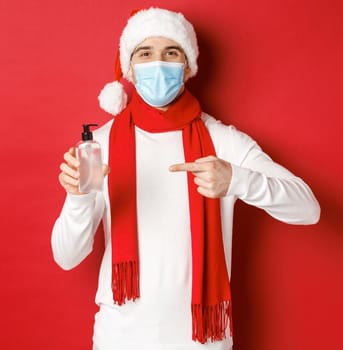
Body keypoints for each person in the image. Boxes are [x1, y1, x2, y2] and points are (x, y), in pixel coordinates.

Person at [52, 7, 320, 350]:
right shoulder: (98, 146)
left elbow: (308, 208)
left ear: (188, 67)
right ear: (130, 68)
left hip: (202, 339)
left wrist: (237, 180)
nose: (158, 63)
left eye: (171, 53)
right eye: (145, 53)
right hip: (121, 336)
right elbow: (66, 256)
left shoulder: (223, 141)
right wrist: (77, 197)